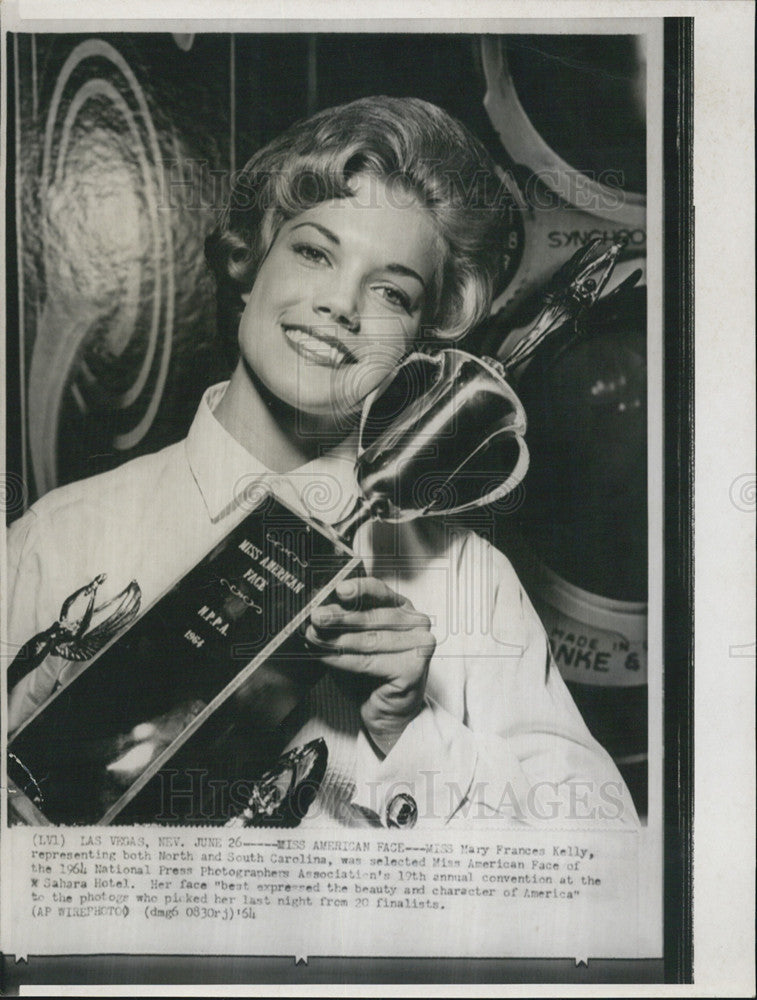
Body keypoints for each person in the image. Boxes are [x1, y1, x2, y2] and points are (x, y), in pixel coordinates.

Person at [6, 96, 638, 829]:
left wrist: (409, 728)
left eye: (392, 292)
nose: (341, 304)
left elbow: (606, 871)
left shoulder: (470, 584)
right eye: (314, 251)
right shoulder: (61, 537)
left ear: (419, 342)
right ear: (250, 261)